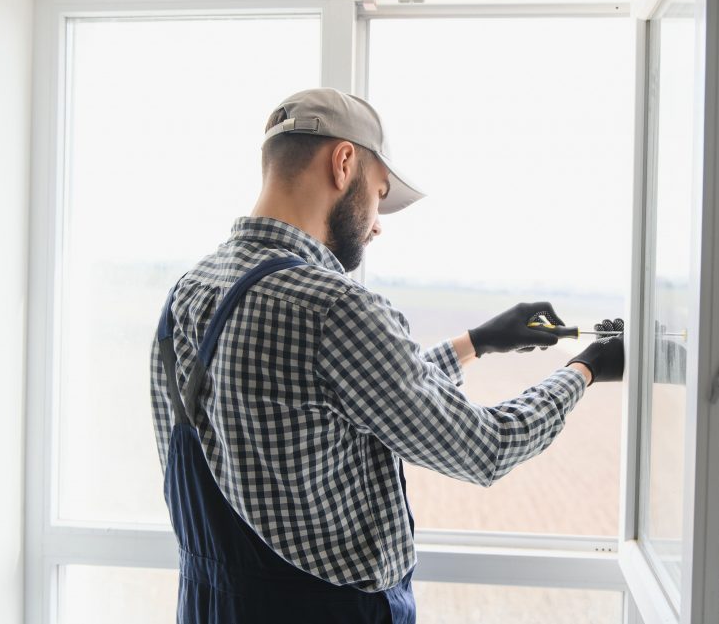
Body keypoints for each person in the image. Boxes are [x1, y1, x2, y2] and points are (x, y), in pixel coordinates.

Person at [149, 88, 625, 624]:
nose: (377, 223)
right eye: (377, 194)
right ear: (344, 162)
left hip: (209, 606)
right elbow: (486, 448)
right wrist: (585, 369)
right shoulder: (332, 307)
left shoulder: (188, 293)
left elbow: (338, 400)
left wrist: (477, 342)